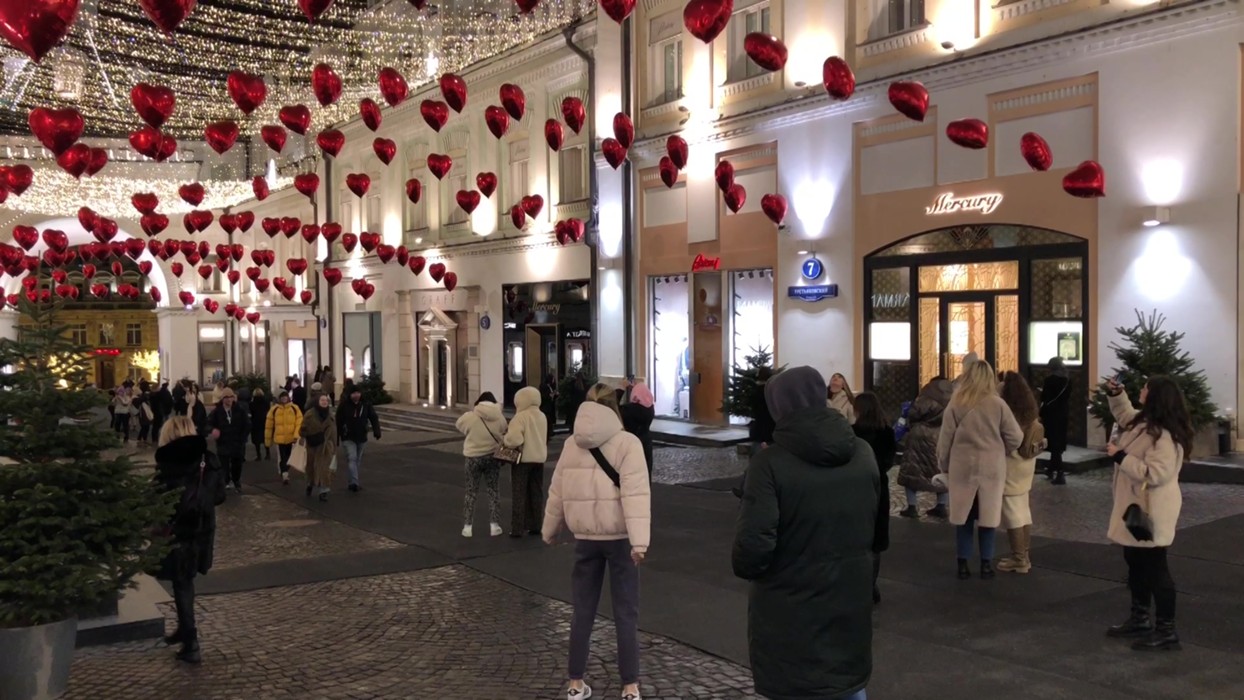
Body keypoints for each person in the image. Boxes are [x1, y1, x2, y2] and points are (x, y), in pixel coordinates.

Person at [733, 366, 877, 700]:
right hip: (849, 604)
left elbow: (750, 555)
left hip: (789, 614)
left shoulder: (769, 465)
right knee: (847, 688)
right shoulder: (863, 454)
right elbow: (874, 530)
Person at [543, 380, 651, 700]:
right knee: (626, 612)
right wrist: (640, 542)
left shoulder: (571, 443)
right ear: (615, 407)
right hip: (619, 539)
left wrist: (549, 529)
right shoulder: (628, 443)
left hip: (585, 539)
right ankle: (630, 687)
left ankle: (575, 683)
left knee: (583, 611)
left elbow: (557, 491)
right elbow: (636, 494)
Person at [1103, 375, 1190, 652]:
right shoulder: (1145, 423)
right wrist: (1117, 394)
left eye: (1145, 388)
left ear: (1155, 396)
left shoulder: (1163, 435)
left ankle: (1167, 629)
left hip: (1151, 511)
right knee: (1135, 560)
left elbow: (1156, 473)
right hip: (1137, 509)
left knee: (1155, 568)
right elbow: (1125, 414)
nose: (1141, 390)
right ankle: (1139, 617)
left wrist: (1120, 457)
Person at [153, 408, 227, 665]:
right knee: (185, 582)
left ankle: (191, 642)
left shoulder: (167, 463)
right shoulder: (209, 459)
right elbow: (219, 496)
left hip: (177, 531)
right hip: (203, 530)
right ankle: (184, 629)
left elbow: (158, 501)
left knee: (181, 583)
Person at [938, 360, 1023, 580]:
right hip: (991, 468)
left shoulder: (956, 402)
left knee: (963, 518)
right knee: (988, 517)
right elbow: (1016, 437)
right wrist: (1000, 449)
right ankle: (986, 564)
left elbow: (945, 440)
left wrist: (944, 466)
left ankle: (963, 564)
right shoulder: (998, 404)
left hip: (962, 467)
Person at [997, 372, 1046, 574]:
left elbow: (1008, 441)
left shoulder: (1010, 414)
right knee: (1023, 511)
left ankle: (1019, 559)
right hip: (1026, 466)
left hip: (1011, 467)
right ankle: (1024, 554)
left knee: (1012, 514)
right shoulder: (1029, 409)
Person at [852, 391, 896, 604]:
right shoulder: (887, 432)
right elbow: (888, 461)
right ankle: (871, 585)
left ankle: (858, 584)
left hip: (856, 487)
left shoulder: (852, 433)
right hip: (879, 486)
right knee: (876, 539)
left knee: (858, 535)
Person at [897, 376, 953, 518]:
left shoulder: (927, 394)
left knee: (912, 471)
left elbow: (914, 413)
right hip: (941, 436)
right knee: (940, 471)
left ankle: (912, 507)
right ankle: (941, 506)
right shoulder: (953, 396)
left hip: (920, 436)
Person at [456, 392, 508, 537]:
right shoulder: (499, 417)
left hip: (472, 458)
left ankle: (467, 527)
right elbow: (504, 430)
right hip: (492, 457)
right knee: (493, 491)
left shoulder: (471, 416)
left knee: (471, 492)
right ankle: (494, 526)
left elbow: (459, 424)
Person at [502, 386, 549, 537]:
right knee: (536, 493)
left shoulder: (520, 417)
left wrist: (506, 439)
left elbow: (515, 439)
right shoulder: (542, 416)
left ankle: (517, 528)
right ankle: (536, 525)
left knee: (519, 493)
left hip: (523, 460)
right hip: (539, 459)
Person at [336, 386, 382, 493]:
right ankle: (355, 483)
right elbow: (338, 421)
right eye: (354, 393)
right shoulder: (344, 406)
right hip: (348, 437)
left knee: (357, 460)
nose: (356, 395)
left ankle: (351, 481)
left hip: (362, 437)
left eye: (358, 393)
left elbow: (373, 417)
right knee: (352, 458)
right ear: (350, 395)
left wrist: (376, 431)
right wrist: (338, 437)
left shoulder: (365, 405)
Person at [208, 388, 250, 492]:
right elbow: (208, 423)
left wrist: (243, 438)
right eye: (226, 397)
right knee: (224, 465)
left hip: (237, 442)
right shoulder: (217, 412)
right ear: (222, 399)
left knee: (237, 464)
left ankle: (236, 481)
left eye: (230, 397)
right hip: (223, 442)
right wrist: (212, 430)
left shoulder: (239, 410)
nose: (229, 400)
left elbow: (247, 424)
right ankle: (225, 481)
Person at [300, 393, 339, 502]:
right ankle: (310, 484)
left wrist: (334, 446)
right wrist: (306, 435)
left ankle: (324, 490)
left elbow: (334, 432)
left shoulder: (330, 416)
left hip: (326, 446)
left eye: (326, 400)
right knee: (312, 467)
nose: (324, 402)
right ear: (317, 401)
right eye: (322, 400)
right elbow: (303, 428)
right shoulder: (310, 414)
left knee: (325, 469)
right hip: (313, 445)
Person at [1039, 356, 1072, 484]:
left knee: (1053, 443)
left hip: (1051, 414)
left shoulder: (1050, 380)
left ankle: (1060, 473)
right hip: (1063, 413)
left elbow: (1044, 396)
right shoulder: (1067, 380)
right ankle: (1051, 469)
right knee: (1057, 442)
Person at [265, 391, 303, 485]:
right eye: (282, 397)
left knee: (289, 457)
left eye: (285, 397)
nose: (284, 399)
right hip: (279, 439)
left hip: (291, 438)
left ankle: (284, 471)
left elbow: (299, 422)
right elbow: (269, 426)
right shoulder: (274, 410)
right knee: (282, 457)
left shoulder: (294, 408)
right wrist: (268, 440)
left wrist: (296, 435)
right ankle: (285, 474)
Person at [619, 381, 655, 475]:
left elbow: (613, 407)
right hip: (646, 441)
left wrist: (621, 389)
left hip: (631, 442)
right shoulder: (650, 409)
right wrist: (637, 388)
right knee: (646, 471)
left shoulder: (628, 410)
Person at [248, 389, 271, 462]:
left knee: (256, 440)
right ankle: (268, 454)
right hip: (264, 421)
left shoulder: (252, 403)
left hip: (255, 422)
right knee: (265, 438)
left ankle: (259, 455)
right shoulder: (266, 402)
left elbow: (251, 412)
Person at [540, 372, 559, 442]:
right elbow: (545, 396)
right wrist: (551, 395)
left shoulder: (550, 386)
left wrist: (555, 395)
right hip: (546, 406)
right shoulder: (544, 386)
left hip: (550, 405)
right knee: (548, 420)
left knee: (550, 420)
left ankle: (550, 432)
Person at [135, 381, 154, 447]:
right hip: (143, 412)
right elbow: (138, 401)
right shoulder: (142, 395)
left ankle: (142, 439)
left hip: (145, 411)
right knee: (144, 426)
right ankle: (141, 439)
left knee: (146, 426)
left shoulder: (145, 394)